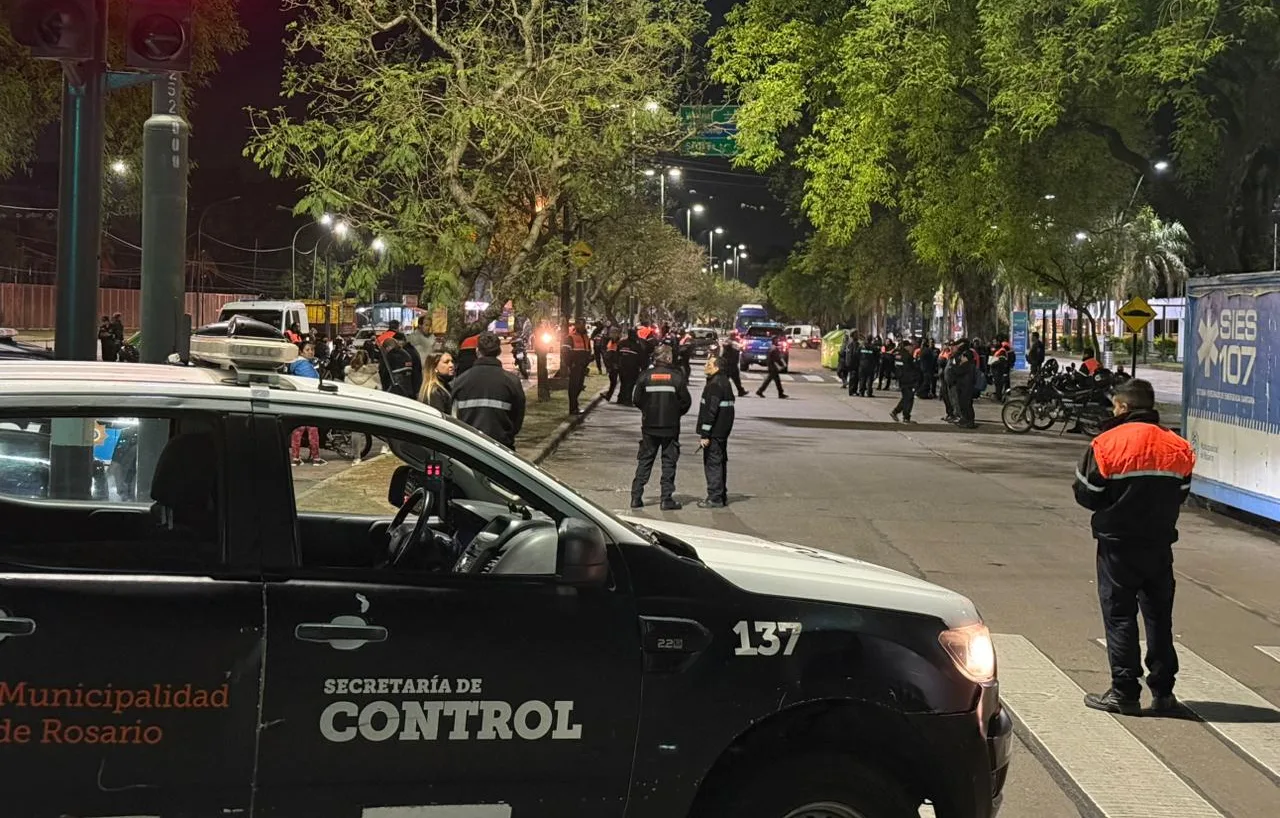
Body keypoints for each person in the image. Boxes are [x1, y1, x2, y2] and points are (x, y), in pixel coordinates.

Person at [1074, 379, 1195, 716]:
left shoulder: (1106, 444)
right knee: (1159, 616)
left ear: (1124, 407)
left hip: (1117, 545)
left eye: (1115, 405)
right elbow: (1181, 492)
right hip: (1159, 544)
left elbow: (1087, 493)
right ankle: (1164, 692)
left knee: (1120, 614)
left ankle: (1125, 692)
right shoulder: (1178, 446)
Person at [630, 344, 692, 510]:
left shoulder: (645, 376)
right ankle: (666, 499)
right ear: (668, 358)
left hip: (649, 426)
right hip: (670, 427)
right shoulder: (677, 377)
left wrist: (647, 410)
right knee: (669, 462)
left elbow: (636, 399)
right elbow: (686, 402)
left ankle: (636, 496)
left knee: (645, 460)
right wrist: (675, 413)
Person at [450, 332, 526, 449]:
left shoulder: (460, 381)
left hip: (469, 447)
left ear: (477, 351)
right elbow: (518, 418)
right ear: (499, 352)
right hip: (501, 448)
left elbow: (453, 416)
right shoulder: (512, 381)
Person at [697, 355, 735, 509]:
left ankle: (714, 497)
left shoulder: (714, 385)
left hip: (714, 432)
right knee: (720, 462)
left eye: (709, 364)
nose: (706, 366)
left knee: (712, 464)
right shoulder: (725, 382)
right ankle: (721, 494)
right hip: (722, 431)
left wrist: (705, 434)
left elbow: (711, 411)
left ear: (717, 368)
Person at [288, 341, 326, 466]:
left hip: (298, 399)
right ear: (301, 352)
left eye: (312, 350)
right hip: (309, 399)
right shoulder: (303, 365)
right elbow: (313, 382)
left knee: (298, 429)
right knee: (312, 429)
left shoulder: (296, 364)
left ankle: (296, 457)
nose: (311, 352)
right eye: (307, 350)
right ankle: (316, 458)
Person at [564, 319, 591, 415]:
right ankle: (573, 408)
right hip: (575, 366)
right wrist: (570, 364)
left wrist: (588, 359)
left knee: (579, 386)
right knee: (574, 387)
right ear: (576, 325)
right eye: (579, 324)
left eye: (583, 324)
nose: (582, 326)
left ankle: (575, 406)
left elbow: (588, 349)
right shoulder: (570, 337)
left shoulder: (586, 336)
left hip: (583, 365)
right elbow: (565, 352)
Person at [947, 341, 978, 429]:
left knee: (966, 404)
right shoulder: (964, 364)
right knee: (962, 403)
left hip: (966, 386)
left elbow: (958, 371)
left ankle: (969, 421)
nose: (962, 358)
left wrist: (952, 367)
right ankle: (964, 419)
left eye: (964, 357)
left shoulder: (967, 365)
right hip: (962, 385)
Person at [890, 341, 921, 423]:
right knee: (909, 398)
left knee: (906, 397)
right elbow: (912, 368)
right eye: (910, 346)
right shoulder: (907, 356)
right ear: (907, 347)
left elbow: (893, 365)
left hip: (901, 378)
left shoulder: (897, 355)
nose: (912, 348)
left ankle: (896, 412)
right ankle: (905, 417)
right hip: (908, 380)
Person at [617, 328, 644, 407]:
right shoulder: (637, 345)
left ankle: (620, 398)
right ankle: (627, 400)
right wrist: (641, 366)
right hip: (632, 367)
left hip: (622, 366)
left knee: (623, 382)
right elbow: (641, 356)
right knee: (630, 384)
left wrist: (617, 364)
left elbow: (617, 354)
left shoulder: (621, 343)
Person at [722, 330, 749, 397]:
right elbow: (738, 346)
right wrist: (743, 345)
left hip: (733, 364)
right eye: (735, 335)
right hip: (728, 364)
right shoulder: (729, 341)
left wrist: (742, 346)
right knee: (726, 380)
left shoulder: (732, 342)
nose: (736, 336)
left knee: (736, 379)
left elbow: (740, 349)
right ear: (732, 335)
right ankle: (721, 392)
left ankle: (741, 391)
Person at [602, 327, 622, 402]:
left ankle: (613, 396)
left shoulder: (620, 342)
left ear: (618, 334)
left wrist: (617, 364)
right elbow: (607, 354)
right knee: (613, 381)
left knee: (617, 382)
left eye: (614, 333)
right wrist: (608, 366)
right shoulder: (610, 342)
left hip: (617, 365)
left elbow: (619, 355)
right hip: (611, 365)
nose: (612, 334)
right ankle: (608, 395)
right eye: (611, 333)